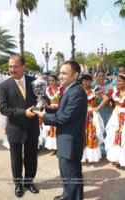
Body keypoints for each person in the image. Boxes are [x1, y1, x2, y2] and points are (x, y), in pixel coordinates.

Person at [34, 61, 87, 200]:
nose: (60, 76)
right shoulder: (69, 89)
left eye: (64, 73)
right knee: (65, 171)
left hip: (70, 140)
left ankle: (74, 197)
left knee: (72, 173)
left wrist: (44, 116)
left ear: (75, 75)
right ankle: (67, 195)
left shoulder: (76, 92)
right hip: (65, 138)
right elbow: (63, 111)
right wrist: (49, 108)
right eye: (60, 72)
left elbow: (64, 118)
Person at [0, 55, 40, 198]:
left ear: (23, 67)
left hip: (32, 127)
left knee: (31, 157)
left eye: (15, 66)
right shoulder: (4, 86)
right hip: (15, 128)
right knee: (16, 158)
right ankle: (18, 184)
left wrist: (44, 101)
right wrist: (24, 113)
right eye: (10, 67)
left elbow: (43, 97)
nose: (12, 69)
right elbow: (4, 109)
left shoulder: (35, 82)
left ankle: (29, 182)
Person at [80, 74, 109, 163]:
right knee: (82, 135)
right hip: (80, 115)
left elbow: (106, 98)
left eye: (87, 81)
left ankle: (91, 156)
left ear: (91, 81)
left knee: (92, 134)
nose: (85, 82)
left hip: (92, 115)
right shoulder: (79, 90)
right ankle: (83, 156)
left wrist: (98, 108)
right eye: (83, 81)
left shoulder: (96, 90)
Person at [105, 74, 125, 168]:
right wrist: (111, 108)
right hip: (116, 115)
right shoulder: (114, 90)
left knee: (123, 137)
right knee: (114, 136)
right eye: (117, 81)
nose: (118, 82)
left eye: (120, 81)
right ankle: (116, 158)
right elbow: (105, 98)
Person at [43, 74, 64, 155]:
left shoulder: (61, 89)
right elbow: (44, 98)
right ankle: (53, 148)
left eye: (53, 80)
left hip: (60, 109)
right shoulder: (48, 89)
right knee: (52, 128)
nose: (51, 82)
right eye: (50, 80)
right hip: (51, 109)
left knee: (59, 128)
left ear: (56, 81)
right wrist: (46, 104)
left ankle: (60, 147)